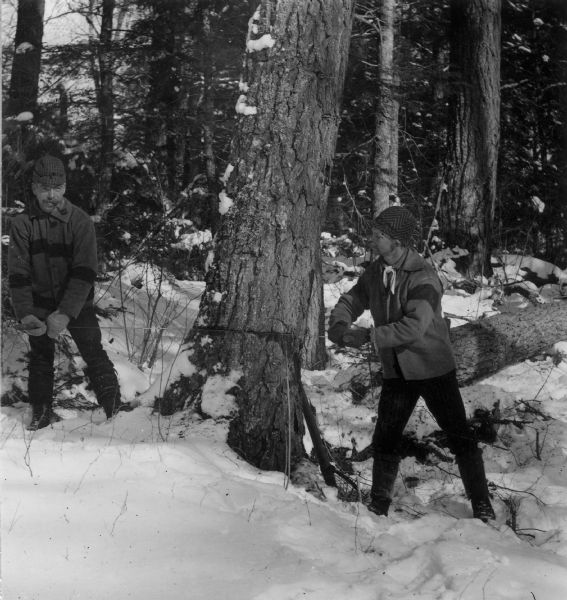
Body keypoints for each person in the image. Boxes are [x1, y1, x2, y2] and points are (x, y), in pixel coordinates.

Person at [328, 206, 495, 522]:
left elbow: (415, 326)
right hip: (397, 372)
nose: (372, 240)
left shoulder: (423, 277)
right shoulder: (377, 271)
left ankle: (482, 505)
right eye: (374, 234)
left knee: (459, 436)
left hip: (433, 369)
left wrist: (370, 336)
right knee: (386, 438)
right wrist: (339, 323)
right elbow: (354, 298)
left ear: (396, 240)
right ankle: (378, 505)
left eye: (378, 236)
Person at [8, 154, 132, 430]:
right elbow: (18, 274)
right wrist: (26, 314)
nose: (51, 195)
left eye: (58, 188)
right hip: (38, 304)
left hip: (77, 304)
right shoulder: (22, 224)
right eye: (44, 189)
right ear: (34, 188)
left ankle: (116, 413)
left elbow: (85, 272)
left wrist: (64, 313)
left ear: (65, 187)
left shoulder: (80, 221)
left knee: (93, 351)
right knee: (40, 356)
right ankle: (40, 416)